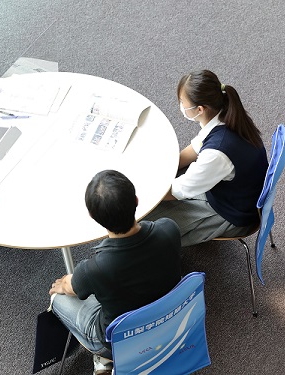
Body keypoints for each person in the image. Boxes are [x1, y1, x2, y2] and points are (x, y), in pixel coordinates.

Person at [49, 170, 182, 375]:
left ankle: (105, 357)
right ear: (136, 200)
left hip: (119, 339)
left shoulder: (94, 269)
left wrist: (65, 283)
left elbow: (70, 286)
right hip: (170, 318)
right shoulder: (169, 228)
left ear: (92, 217)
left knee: (58, 299)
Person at [144, 70, 268, 247]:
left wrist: (145, 193)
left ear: (200, 109)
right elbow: (193, 150)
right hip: (238, 190)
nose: (180, 107)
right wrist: (164, 169)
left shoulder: (217, 153)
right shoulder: (225, 114)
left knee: (147, 229)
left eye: (182, 102)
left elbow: (178, 191)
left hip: (231, 212)